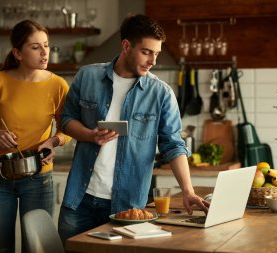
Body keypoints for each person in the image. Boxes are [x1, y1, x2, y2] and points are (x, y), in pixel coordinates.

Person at [58, 14, 209, 244]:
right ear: (126, 46)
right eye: (147, 52)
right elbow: (67, 120)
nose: (153, 61)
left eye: (156, 54)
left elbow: (173, 144)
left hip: (127, 206)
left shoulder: (161, 93)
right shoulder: (87, 77)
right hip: (80, 200)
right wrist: (90, 135)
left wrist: (187, 191)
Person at [0, 20, 71, 253]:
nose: (45, 52)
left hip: (38, 178)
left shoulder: (58, 85)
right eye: (36, 47)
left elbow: (67, 127)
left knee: (38, 249)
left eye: (46, 45)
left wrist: (53, 141)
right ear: (18, 53)